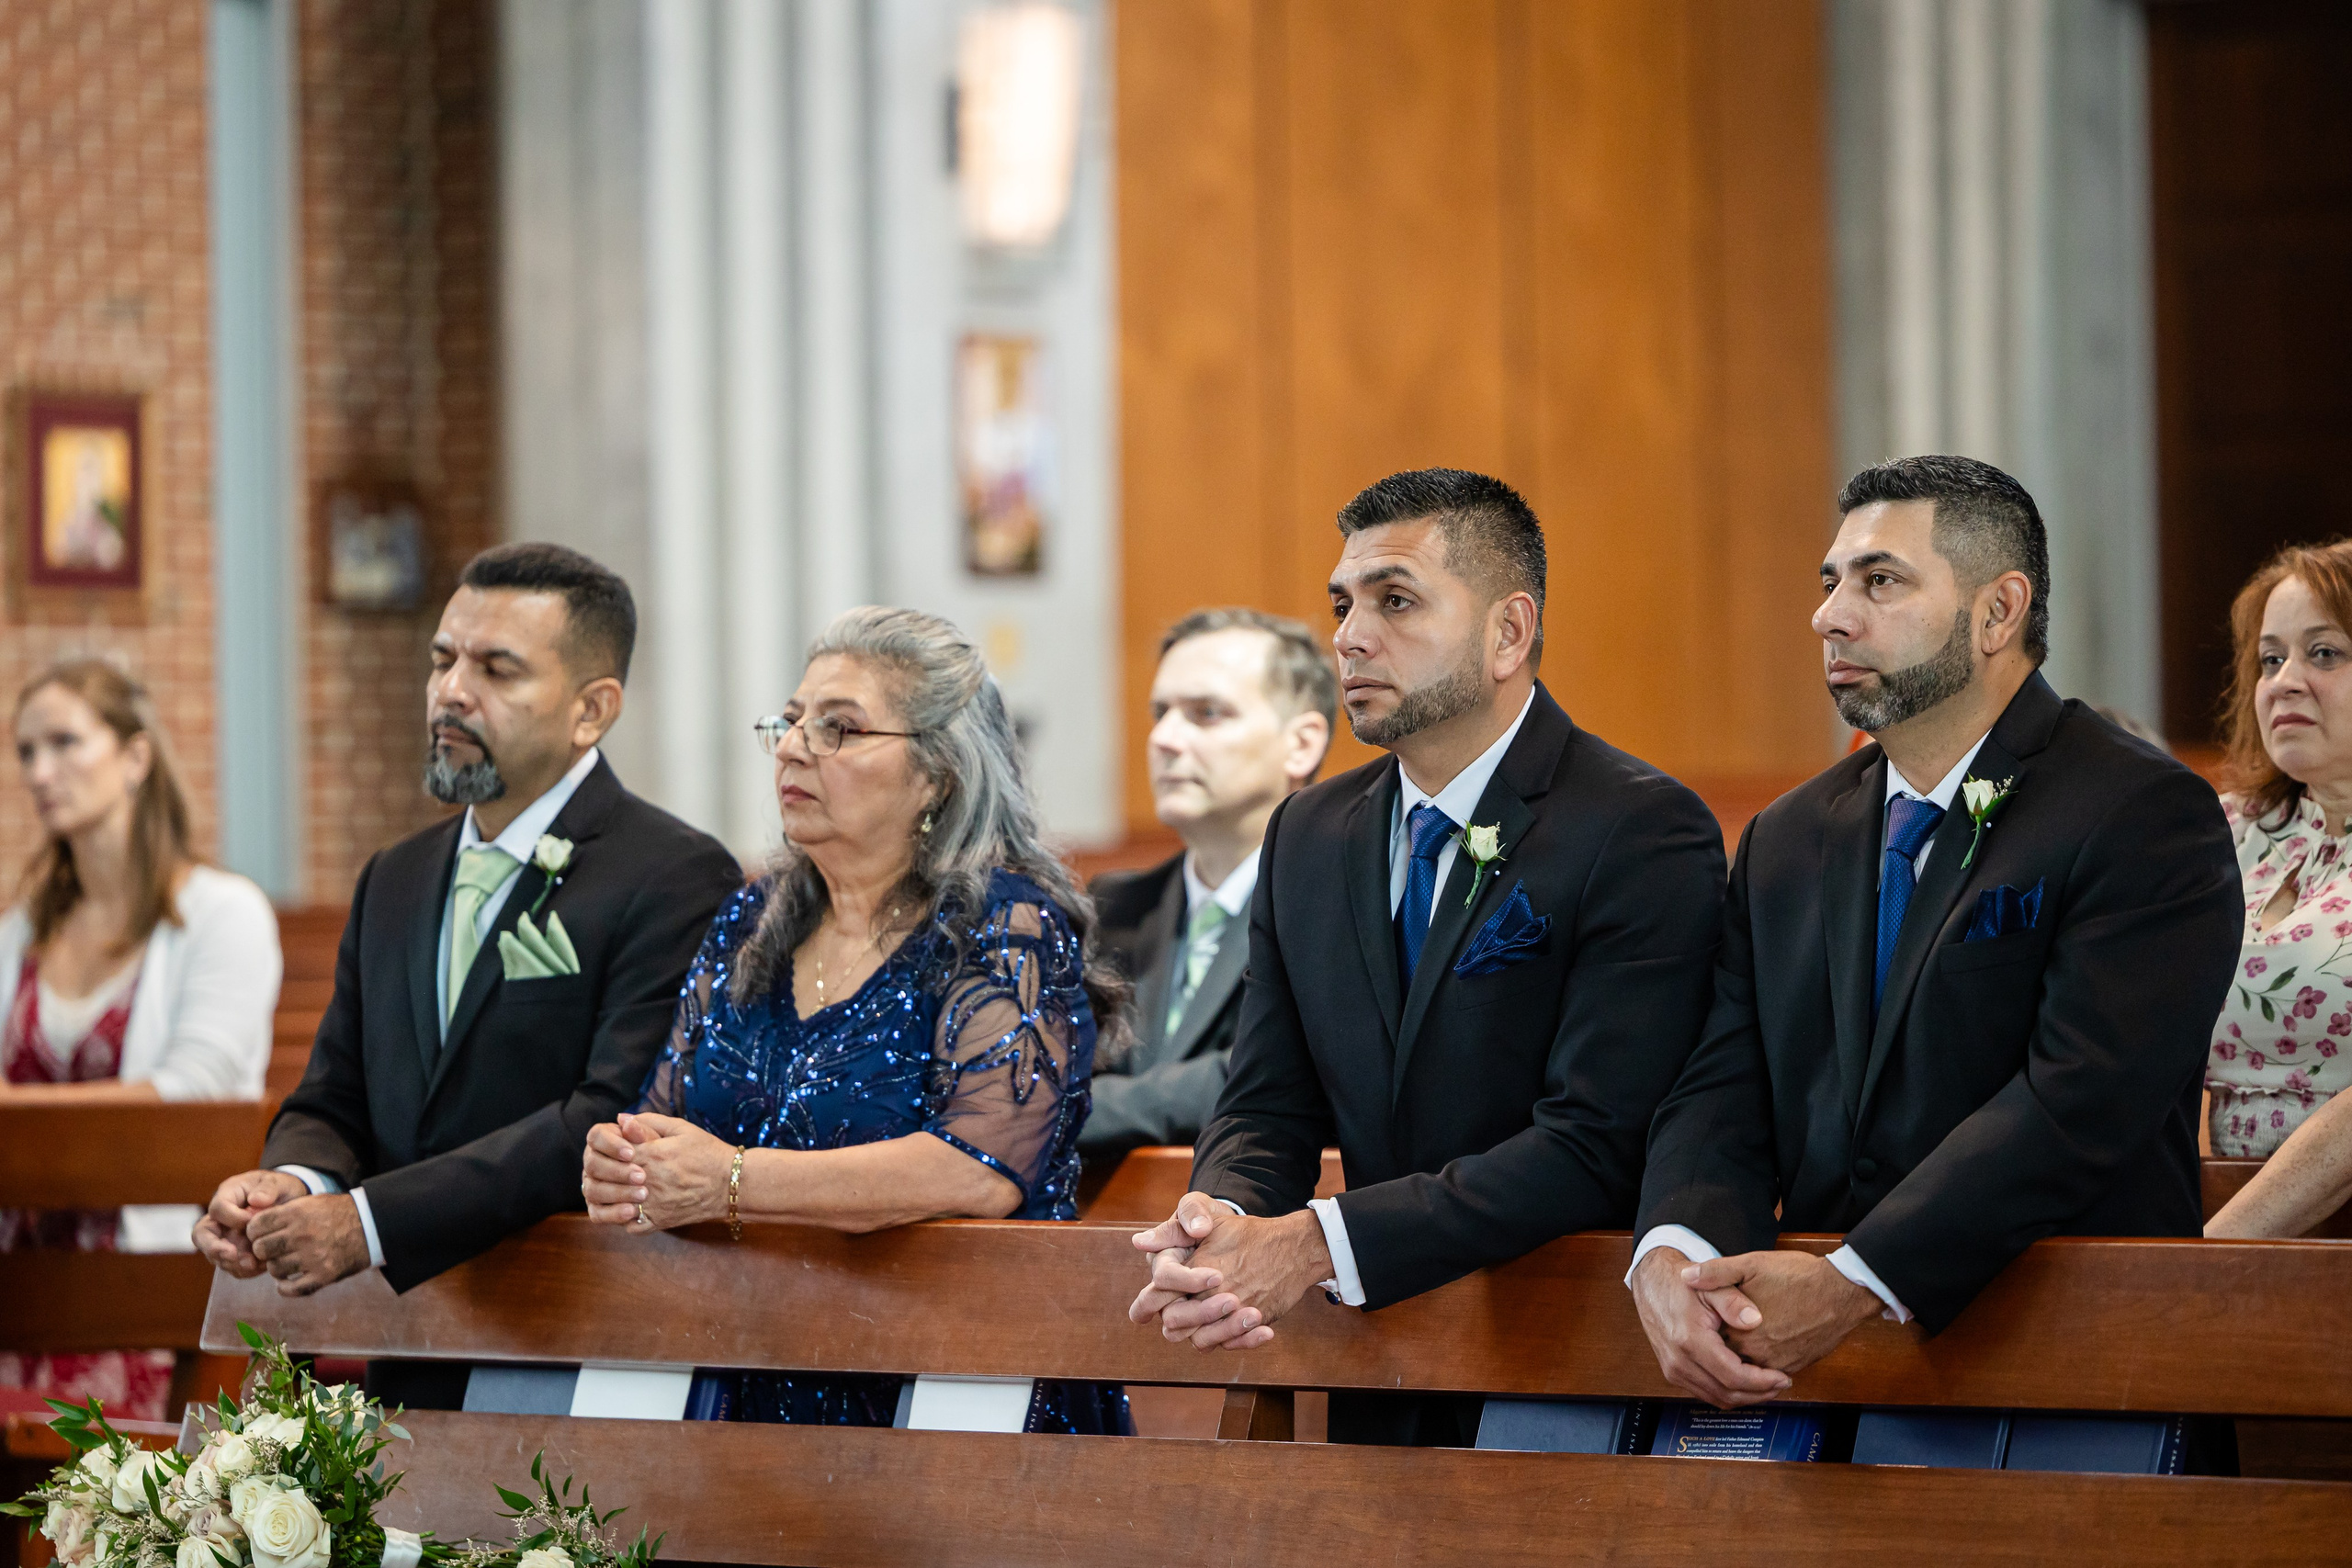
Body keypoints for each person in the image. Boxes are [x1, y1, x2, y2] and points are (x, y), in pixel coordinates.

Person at [1125, 468, 1727, 1448]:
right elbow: (1268, 1098)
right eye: (1342, 605)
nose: (1350, 637)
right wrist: (1219, 1217)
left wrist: (1322, 1241)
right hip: (1378, 1364)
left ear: (1507, 632)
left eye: (1394, 601)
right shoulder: (1311, 834)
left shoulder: (1637, 828)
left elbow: (1594, 1141)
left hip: (1556, 1358)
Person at [1630, 456, 2240, 1411]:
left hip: (2068, 1367)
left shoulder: (2138, 810)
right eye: (1828, 583)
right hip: (1819, 1383)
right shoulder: (1789, 838)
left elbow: (2078, 1099)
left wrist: (1856, 1279)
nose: (1829, 615)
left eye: (1880, 581)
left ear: (1998, 612)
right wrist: (1677, 1248)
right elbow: (1722, 1081)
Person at [193, 543, 741, 1411]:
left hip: (576, 1342)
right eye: (443, 658)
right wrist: (293, 1184)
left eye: (497, 668)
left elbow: (607, 1120)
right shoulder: (396, 877)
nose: (452, 690)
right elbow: (335, 1095)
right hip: (412, 1351)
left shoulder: (672, 874)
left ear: (590, 710)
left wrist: (368, 1222)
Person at [581, 606, 1128, 1434]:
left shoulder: (1006, 928)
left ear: (938, 773)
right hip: (752, 1364)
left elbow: (977, 1168)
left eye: (839, 728)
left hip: (954, 1374)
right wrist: (625, 1165)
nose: (795, 746)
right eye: (791, 721)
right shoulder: (752, 919)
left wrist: (730, 1180)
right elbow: (665, 1118)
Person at [0, 660, 280, 1420]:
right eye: (25, 751)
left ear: (134, 756)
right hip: (18, 1281)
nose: (38, 770)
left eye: (62, 742)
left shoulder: (223, 913)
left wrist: (17, 1113)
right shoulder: (23, 928)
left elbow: (200, 1089)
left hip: (145, 1284)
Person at [1084, 608, 1335, 1159]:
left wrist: (1081, 1108)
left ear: (1301, 744)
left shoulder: (1340, 901)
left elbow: (1287, 1075)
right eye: (1161, 712)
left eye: (1207, 713)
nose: (1165, 738)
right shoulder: (1113, 907)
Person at [2203, 542, 2352, 1238]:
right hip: (2209, 1209)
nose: (2285, 681)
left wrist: (2211, 1261)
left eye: (2324, 653)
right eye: (2270, 659)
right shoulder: (2221, 833)